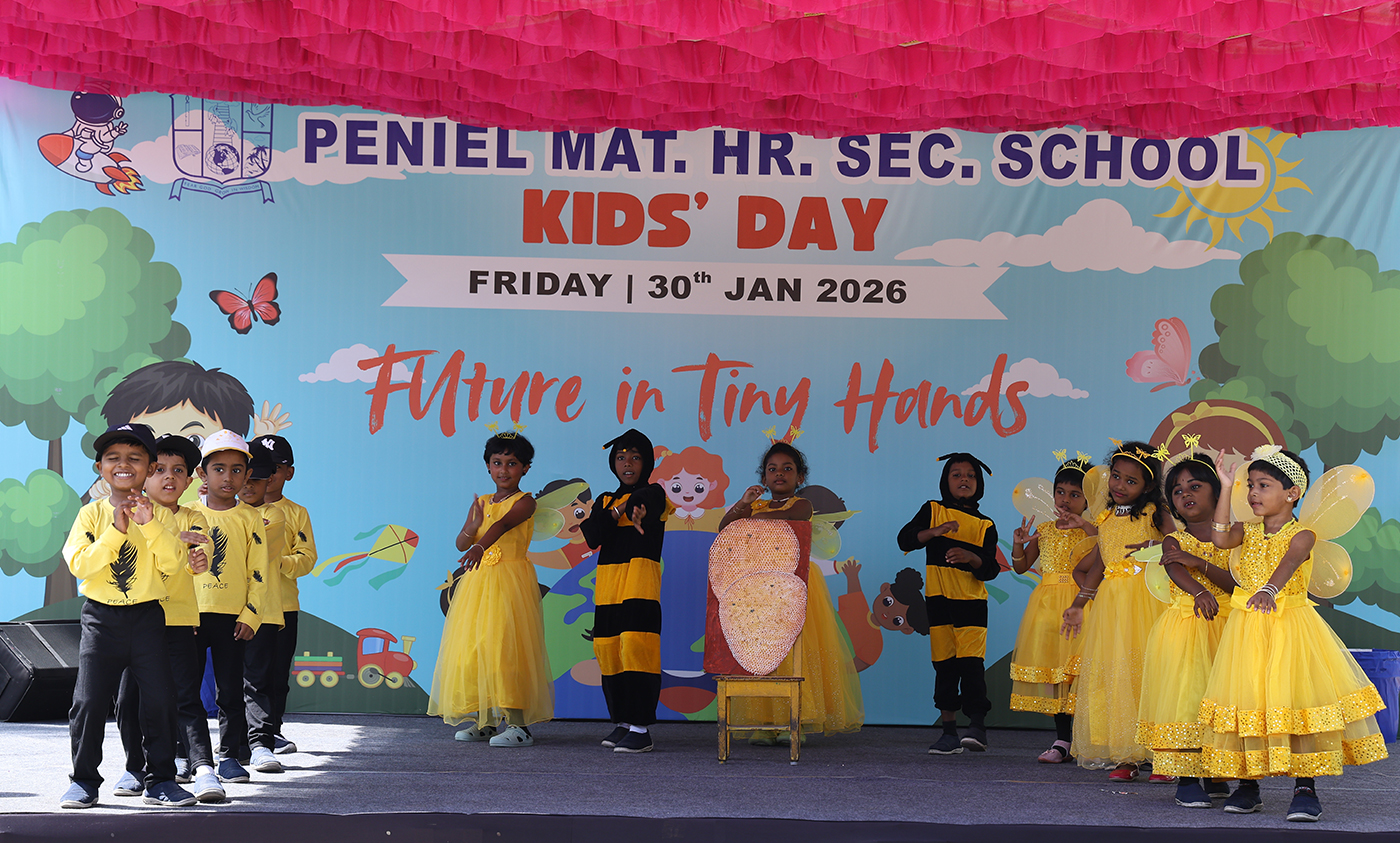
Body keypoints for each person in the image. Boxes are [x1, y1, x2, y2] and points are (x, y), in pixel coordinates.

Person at [1200, 446, 1388, 822]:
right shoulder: (1246, 530)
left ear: (1292, 493)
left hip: (1291, 629)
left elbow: (1290, 561)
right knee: (1249, 701)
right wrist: (1225, 487)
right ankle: (1248, 784)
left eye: (1263, 485)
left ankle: (1305, 787)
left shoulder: (1303, 534)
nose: (1253, 492)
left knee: (1297, 703)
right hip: (1247, 630)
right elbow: (1219, 539)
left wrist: (1270, 590)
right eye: (1251, 485)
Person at [59, 423, 198, 808]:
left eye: (135, 458)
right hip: (101, 620)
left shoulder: (162, 517)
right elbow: (80, 565)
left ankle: (161, 781)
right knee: (89, 702)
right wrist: (116, 532)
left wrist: (148, 524)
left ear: (149, 468)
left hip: (148, 618)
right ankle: (84, 781)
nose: (123, 465)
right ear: (100, 468)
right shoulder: (90, 515)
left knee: (160, 701)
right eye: (113, 458)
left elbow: (172, 564)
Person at [717, 442, 864, 742]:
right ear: (764, 477)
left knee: (794, 650)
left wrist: (752, 518)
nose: (779, 474)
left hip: (794, 585)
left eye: (787, 469)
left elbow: (784, 520)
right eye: (772, 469)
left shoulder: (801, 505)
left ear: (800, 477)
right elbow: (725, 528)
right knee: (762, 651)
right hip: (759, 590)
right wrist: (744, 503)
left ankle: (795, 719)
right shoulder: (755, 507)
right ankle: (765, 721)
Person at [111, 434, 223, 803]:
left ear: (190, 480)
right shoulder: (133, 513)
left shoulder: (193, 516)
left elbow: (198, 555)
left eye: (178, 470)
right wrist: (170, 540)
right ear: (145, 475)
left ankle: (204, 770)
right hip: (135, 621)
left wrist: (197, 561)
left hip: (178, 622)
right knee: (129, 701)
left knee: (185, 698)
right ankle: (135, 768)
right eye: (159, 469)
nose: (169, 477)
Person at [428, 432, 553, 746]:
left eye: (512, 463)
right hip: (478, 584)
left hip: (509, 581)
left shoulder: (525, 502)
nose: (503, 470)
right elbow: (461, 543)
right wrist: (472, 528)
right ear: (487, 466)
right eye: (497, 463)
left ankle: (519, 726)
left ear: (525, 468)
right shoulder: (481, 503)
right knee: (477, 648)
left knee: (506, 650)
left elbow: (503, 525)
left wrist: (479, 546)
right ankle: (484, 722)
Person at [1062, 441, 1172, 780]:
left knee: (1149, 673)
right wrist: (1079, 603)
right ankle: (1128, 754)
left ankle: (1164, 755)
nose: (1120, 485)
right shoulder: (1106, 517)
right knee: (1118, 676)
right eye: (1116, 476)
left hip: (1146, 601)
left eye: (1131, 481)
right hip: (1111, 605)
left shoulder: (1155, 513)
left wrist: (1156, 546)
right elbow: (1099, 564)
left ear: (1148, 486)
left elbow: (1179, 545)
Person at [1135, 454, 1235, 807]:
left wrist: (1201, 565)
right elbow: (1175, 569)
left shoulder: (1234, 539)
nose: (1185, 494)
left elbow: (1236, 584)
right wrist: (1199, 590)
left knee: (1220, 702)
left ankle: (1215, 772)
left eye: (1195, 486)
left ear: (1217, 492)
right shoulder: (1174, 540)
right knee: (1187, 701)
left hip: (1229, 629)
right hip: (1187, 628)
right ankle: (1187, 779)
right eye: (1177, 491)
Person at [897, 453, 1000, 755]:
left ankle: (977, 727)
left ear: (979, 484)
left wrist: (971, 558)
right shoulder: (933, 510)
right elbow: (905, 539)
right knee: (944, 666)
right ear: (946, 481)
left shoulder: (985, 525)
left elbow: (991, 569)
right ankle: (949, 733)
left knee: (971, 666)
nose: (964, 479)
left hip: (971, 604)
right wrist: (934, 532)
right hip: (938, 603)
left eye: (970, 475)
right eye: (956, 474)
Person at [189, 430, 270, 784]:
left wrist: (252, 614)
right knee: (185, 690)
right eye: (219, 469)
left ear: (247, 475)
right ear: (202, 474)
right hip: (190, 617)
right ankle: (189, 756)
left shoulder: (250, 518)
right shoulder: (187, 514)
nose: (228, 477)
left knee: (231, 690)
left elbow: (259, 571)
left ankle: (229, 756)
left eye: (237, 470)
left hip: (233, 619)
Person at [579, 429, 667, 753]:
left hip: (639, 584)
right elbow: (593, 535)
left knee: (635, 646)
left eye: (635, 457)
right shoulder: (606, 501)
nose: (627, 463)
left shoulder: (655, 493)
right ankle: (623, 721)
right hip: (608, 587)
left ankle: (641, 728)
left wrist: (637, 507)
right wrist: (620, 509)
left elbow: (648, 501)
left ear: (647, 463)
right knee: (608, 649)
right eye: (620, 457)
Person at [1007, 455, 1097, 763]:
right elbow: (1021, 567)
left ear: (1088, 499)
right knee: (1057, 675)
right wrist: (1018, 544)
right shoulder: (1044, 529)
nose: (1066, 500)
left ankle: (1090, 741)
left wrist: (1086, 526)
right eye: (1060, 492)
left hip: (1082, 604)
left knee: (1082, 673)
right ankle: (1063, 741)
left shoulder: (1093, 529)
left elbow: (1107, 551)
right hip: (1047, 609)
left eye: (1075, 494)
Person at [248, 435, 317, 755]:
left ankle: (271, 731)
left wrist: (276, 562)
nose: (269, 474)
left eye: (276, 467)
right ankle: (240, 735)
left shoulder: (296, 513)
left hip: (282, 606)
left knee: (275, 675)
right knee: (243, 676)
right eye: (259, 467)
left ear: (289, 473)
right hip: (240, 606)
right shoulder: (235, 509)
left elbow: (307, 558)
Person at [237, 452, 287, 773]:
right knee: (228, 682)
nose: (248, 485)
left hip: (262, 611)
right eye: (245, 477)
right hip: (221, 608)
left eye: (256, 479)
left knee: (257, 680)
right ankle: (233, 747)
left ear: (269, 480)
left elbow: (244, 552)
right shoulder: (213, 511)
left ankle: (260, 745)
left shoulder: (274, 515)